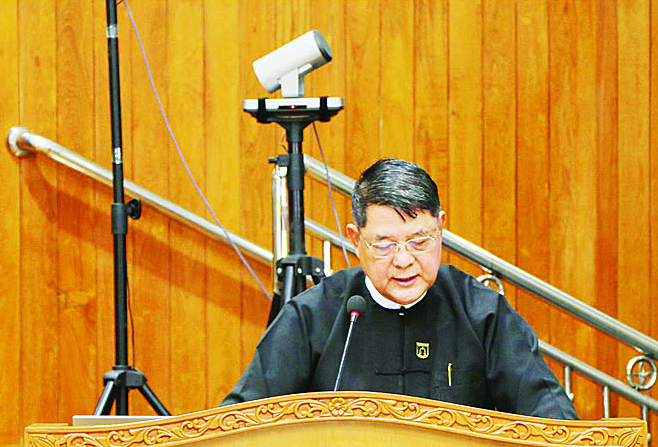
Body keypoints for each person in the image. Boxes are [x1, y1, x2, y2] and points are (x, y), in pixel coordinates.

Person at [222, 158, 577, 420]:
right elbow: (239, 422)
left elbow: (553, 418)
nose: (404, 260)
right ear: (355, 239)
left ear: (440, 228)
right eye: (384, 244)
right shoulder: (312, 315)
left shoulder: (482, 312)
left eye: (420, 241)